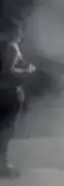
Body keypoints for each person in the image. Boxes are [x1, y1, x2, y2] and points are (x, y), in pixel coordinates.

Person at [0, 19, 35, 177]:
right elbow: (8, 71)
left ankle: (3, 164)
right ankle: (3, 166)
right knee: (6, 131)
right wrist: (27, 71)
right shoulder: (12, 47)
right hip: (9, 93)